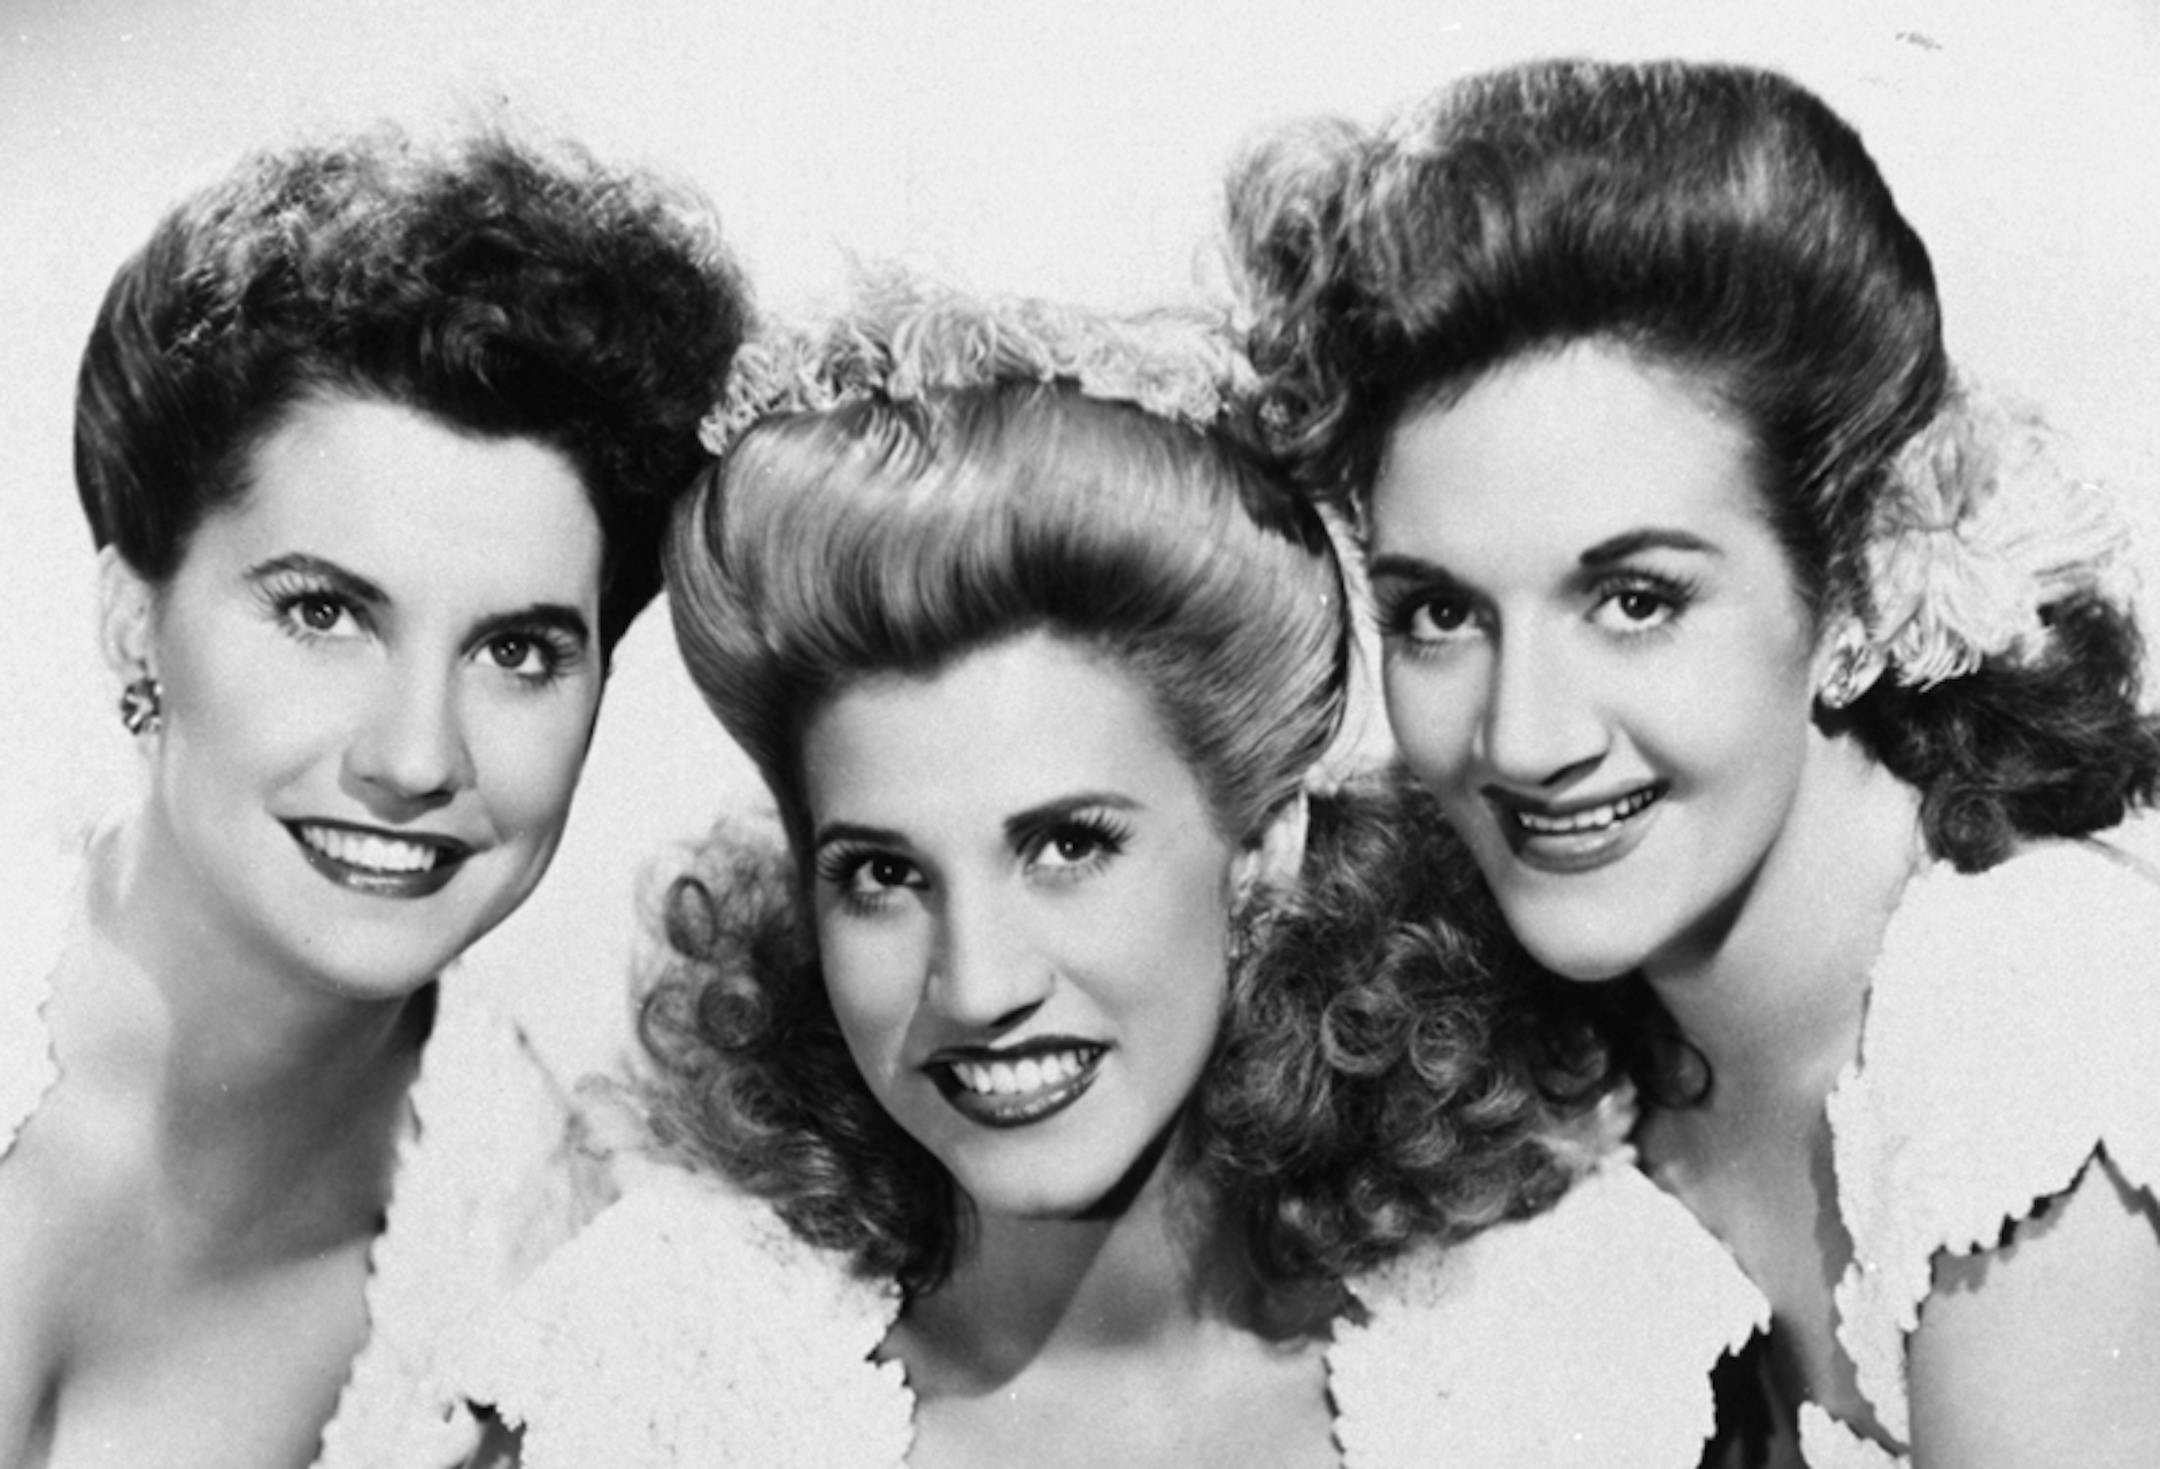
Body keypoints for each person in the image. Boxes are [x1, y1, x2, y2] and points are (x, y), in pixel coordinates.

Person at [450, 278, 1762, 1468]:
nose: (979, 981)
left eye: (1067, 845)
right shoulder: (640, 1391)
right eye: (880, 874)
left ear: (1265, 853)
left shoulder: (1585, 1361)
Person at [1226, 56, 2160, 1468]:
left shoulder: (2022, 1013)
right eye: (1441, 612)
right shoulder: (1570, 1042)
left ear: (1848, 589)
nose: (1525, 734)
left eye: (1636, 600)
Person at [0, 127, 748, 1468]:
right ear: (133, 616)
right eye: (325, 611)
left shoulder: (554, 1279)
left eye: (517, 650)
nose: (415, 756)